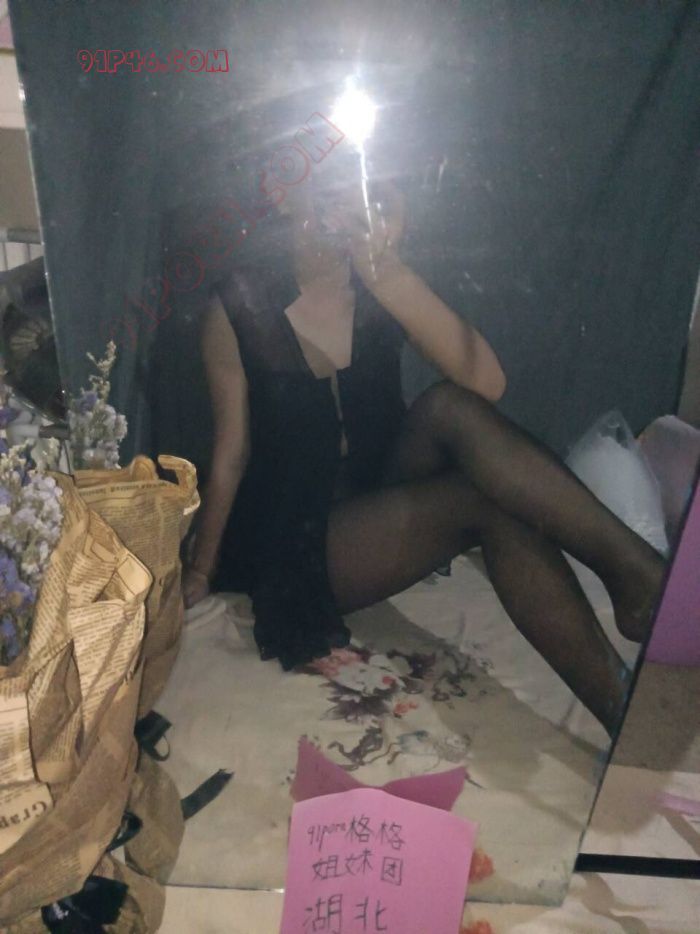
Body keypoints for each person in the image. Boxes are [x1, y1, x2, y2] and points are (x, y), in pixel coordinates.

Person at [182, 169, 664, 737]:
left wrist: (386, 270)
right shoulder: (237, 305)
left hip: (379, 485)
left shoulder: (379, 279)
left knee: (448, 406)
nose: (342, 201)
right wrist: (201, 570)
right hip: (295, 534)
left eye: (356, 182)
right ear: (280, 192)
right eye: (328, 184)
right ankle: (623, 703)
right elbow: (231, 453)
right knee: (485, 503)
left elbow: (485, 383)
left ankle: (638, 578)